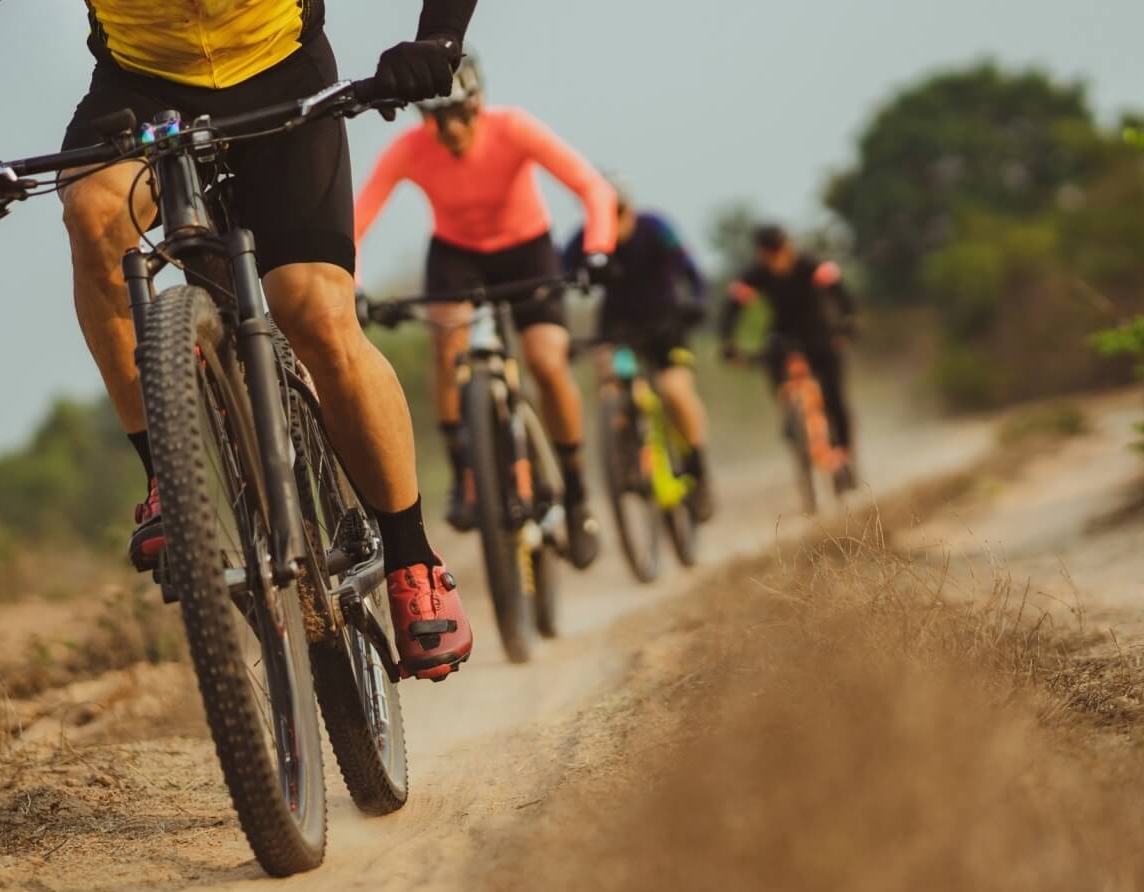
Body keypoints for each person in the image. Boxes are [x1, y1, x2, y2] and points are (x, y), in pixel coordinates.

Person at [0, 0, 480, 681]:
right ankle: (167, 478)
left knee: (313, 309)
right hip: (143, 90)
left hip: (283, 72)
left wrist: (439, 40)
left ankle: (411, 557)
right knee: (93, 217)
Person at [354, 55, 617, 569]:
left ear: (477, 104)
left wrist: (598, 248)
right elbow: (356, 221)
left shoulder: (513, 127)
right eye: (435, 117)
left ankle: (578, 491)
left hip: (526, 249)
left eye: (459, 114)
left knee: (545, 361)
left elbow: (593, 188)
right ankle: (463, 476)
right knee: (447, 344)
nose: (449, 129)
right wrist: (357, 286)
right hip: (457, 254)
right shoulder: (408, 149)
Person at [562, 191, 716, 522]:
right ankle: (624, 444)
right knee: (607, 376)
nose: (613, 219)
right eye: (601, 212)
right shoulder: (583, 240)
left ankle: (698, 470)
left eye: (618, 210)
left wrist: (698, 301)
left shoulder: (654, 227)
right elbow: (559, 282)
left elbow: (689, 268)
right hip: (617, 328)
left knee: (674, 390)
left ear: (629, 207)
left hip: (666, 323)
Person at [720, 225, 859, 486]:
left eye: (778, 251)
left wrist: (848, 322)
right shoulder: (756, 275)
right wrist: (728, 341)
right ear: (761, 254)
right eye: (768, 253)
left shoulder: (810, 265)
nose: (775, 258)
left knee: (835, 397)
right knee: (773, 361)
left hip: (819, 333)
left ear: (788, 247)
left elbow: (838, 291)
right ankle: (790, 416)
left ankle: (845, 454)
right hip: (783, 337)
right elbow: (733, 307)